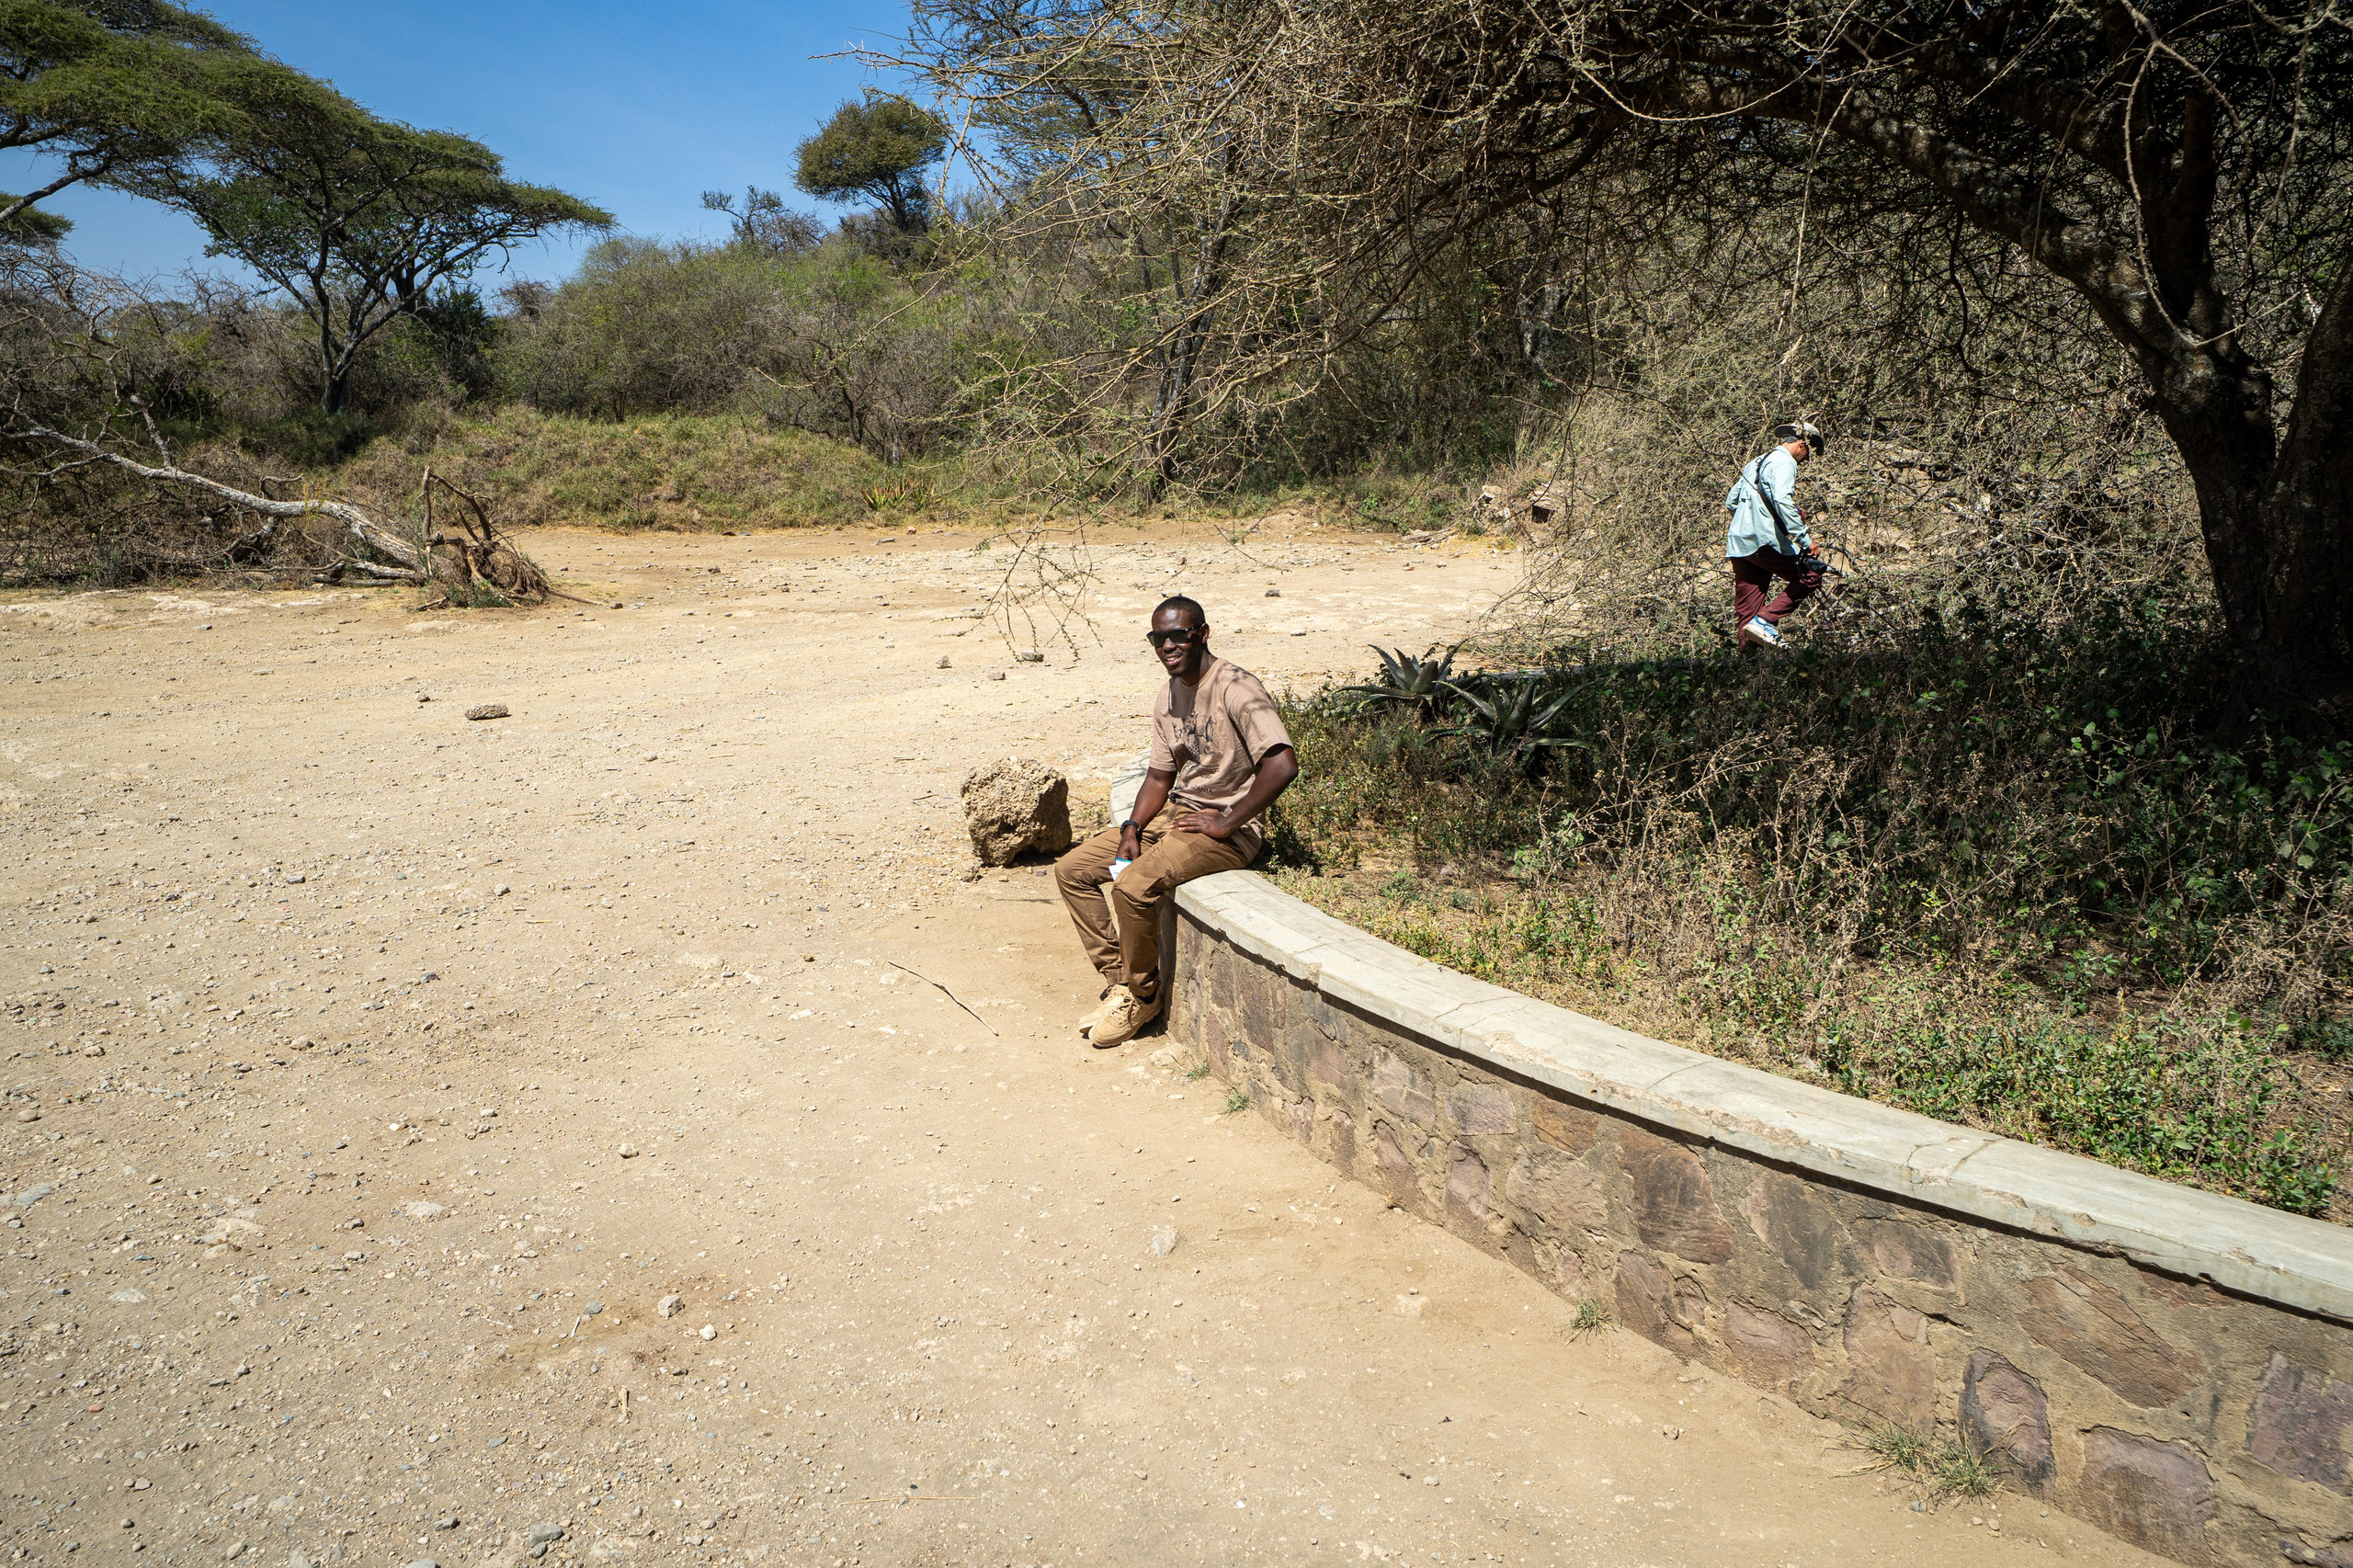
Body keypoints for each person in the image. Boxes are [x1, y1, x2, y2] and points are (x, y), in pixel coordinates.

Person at [1053, 596, 1299, 1048]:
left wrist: (1228, 821)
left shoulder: (1236, 688)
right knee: (1074, 871)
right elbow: (1159, 776)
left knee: (1131, 887)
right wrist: (1131, 829)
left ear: (1201, 634)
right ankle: (1120, 981)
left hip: (1225, 831)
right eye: (1157, 638)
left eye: (1177, 635)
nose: (1167, 646)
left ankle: (1144, 997)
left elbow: (1282, 764)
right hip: (1173, 816)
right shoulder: (1169, 693)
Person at [1724, 421, 1827, 649]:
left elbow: (1731, 502)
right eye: (1807, 455)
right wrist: (1805, 539)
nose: (1804, 461)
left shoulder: (1756, 462)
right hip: (1763, 541)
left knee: (1747, 613)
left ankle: (1749, 664)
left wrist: (1749, 518)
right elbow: (1782, 499)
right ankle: (1765, 620)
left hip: (1739, 543)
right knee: (1811, 574)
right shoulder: (1785, 462)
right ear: (1802, 444)